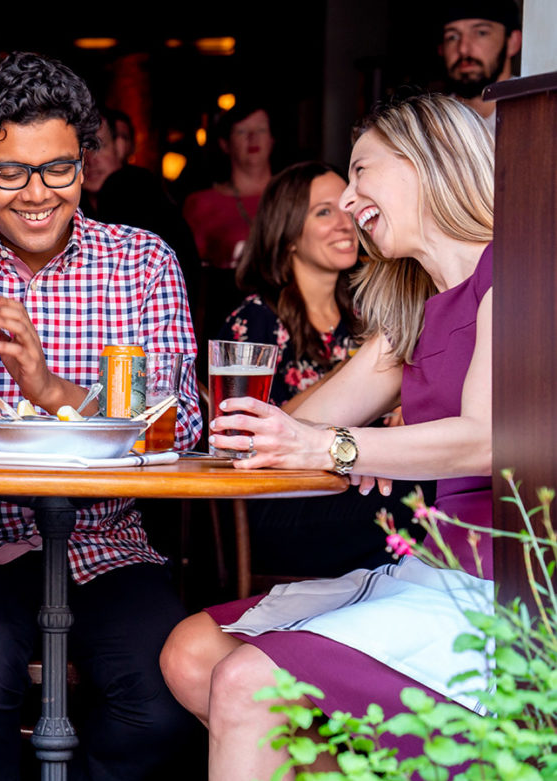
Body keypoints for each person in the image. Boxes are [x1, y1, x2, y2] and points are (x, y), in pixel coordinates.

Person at [0, 52, 203, 780]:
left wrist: (48, 385)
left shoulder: (141, 262)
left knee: (160, 701)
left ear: (83, 164)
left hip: (104, 545)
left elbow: (177, 432)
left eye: (57, 168)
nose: (37, 194)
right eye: (10, 172)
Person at [160, 92, 494, 777]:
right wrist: (259, 427)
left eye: (361, 173)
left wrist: (341, 447)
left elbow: (489, 438)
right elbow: (308, 418)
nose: (350, 204)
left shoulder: (513, 276)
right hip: (428, 571)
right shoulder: (413, 311)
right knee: (192, 654)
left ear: (426, 160)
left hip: (495, 590)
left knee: (246, 681)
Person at [218, 159, 429, 578]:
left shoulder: (366, 315)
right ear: (289, 231)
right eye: (323, 211)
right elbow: (248, 435)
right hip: (281, 506)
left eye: (347, 208)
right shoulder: (257, 319)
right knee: (422, 497)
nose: (344, 221)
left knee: (424, 491)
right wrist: (362, 373)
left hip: (358, 487)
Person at [183, 99, 274, 353]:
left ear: (272, 139)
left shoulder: (295, 195)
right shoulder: (202, 203)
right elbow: (192, 283)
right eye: (242, 131)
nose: (253, 138)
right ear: (225, 144)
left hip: (290, 321)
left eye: (261, 130)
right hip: (227, 330)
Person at [80, 108, 199, 293]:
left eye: (99, 146)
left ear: (120, 147)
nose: (90, 160)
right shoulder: (73, 211)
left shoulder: (143, 196)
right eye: (80, 150)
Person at [438, 0, 522, 131]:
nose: (463, 49)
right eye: (452, 37)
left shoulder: (539, 112)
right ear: (441, 48)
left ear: (513, 42)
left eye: (481, 33)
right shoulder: (430, 125)